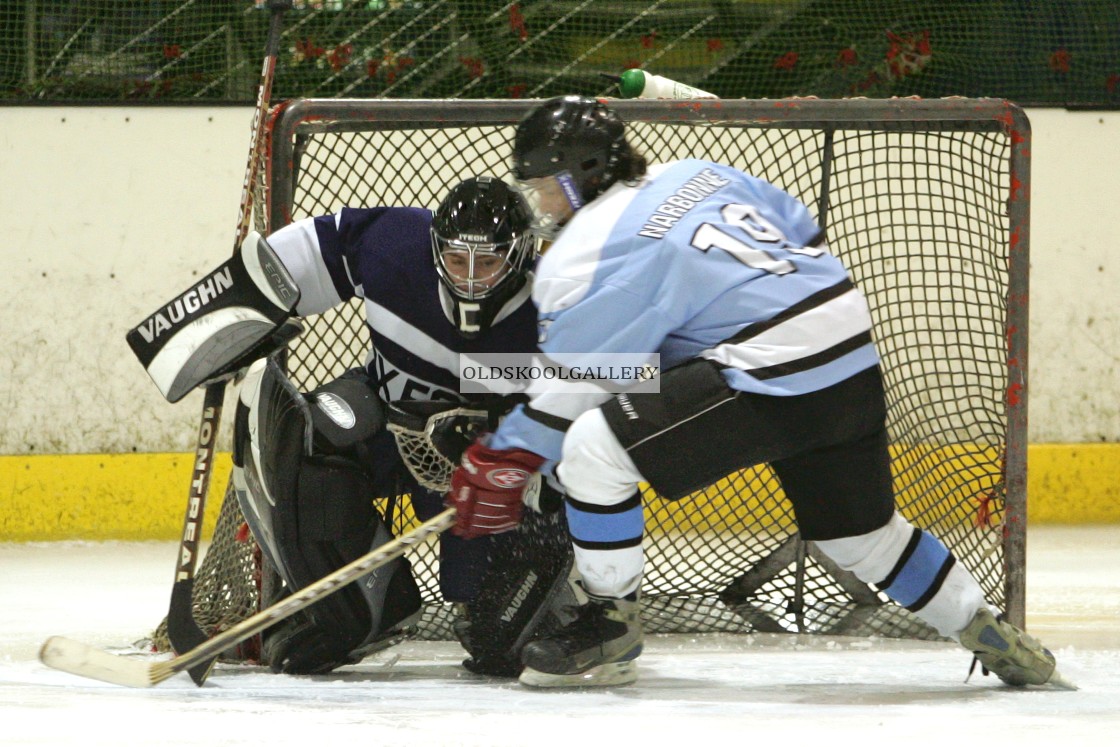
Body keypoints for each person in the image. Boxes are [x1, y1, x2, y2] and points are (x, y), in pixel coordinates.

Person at [446, 95, 1070, 690]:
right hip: (849, 350)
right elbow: (801, 228)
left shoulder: (585, 248)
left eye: (547, 184)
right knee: (861, 537)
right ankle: (980, 626)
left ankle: (611, 628)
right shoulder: (698, 172)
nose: (543, 200)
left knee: (590, 449)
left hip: (772, 370)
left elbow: (573, 384)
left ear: (581, 175)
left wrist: (505, 455)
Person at [229, 175, 573, 677]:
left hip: (488, 473)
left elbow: (634, 379)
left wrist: (543, 458)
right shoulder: (394, 244)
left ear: (519, 255)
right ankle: (356, 612)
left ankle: (540, 603)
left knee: (499, 646)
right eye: (457, 260)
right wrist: (231, 313)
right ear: (436, 251)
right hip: (389, 419)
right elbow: (292, 261)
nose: (471, 278)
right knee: (309, 441)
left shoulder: (559, 303)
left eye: (488, 262)